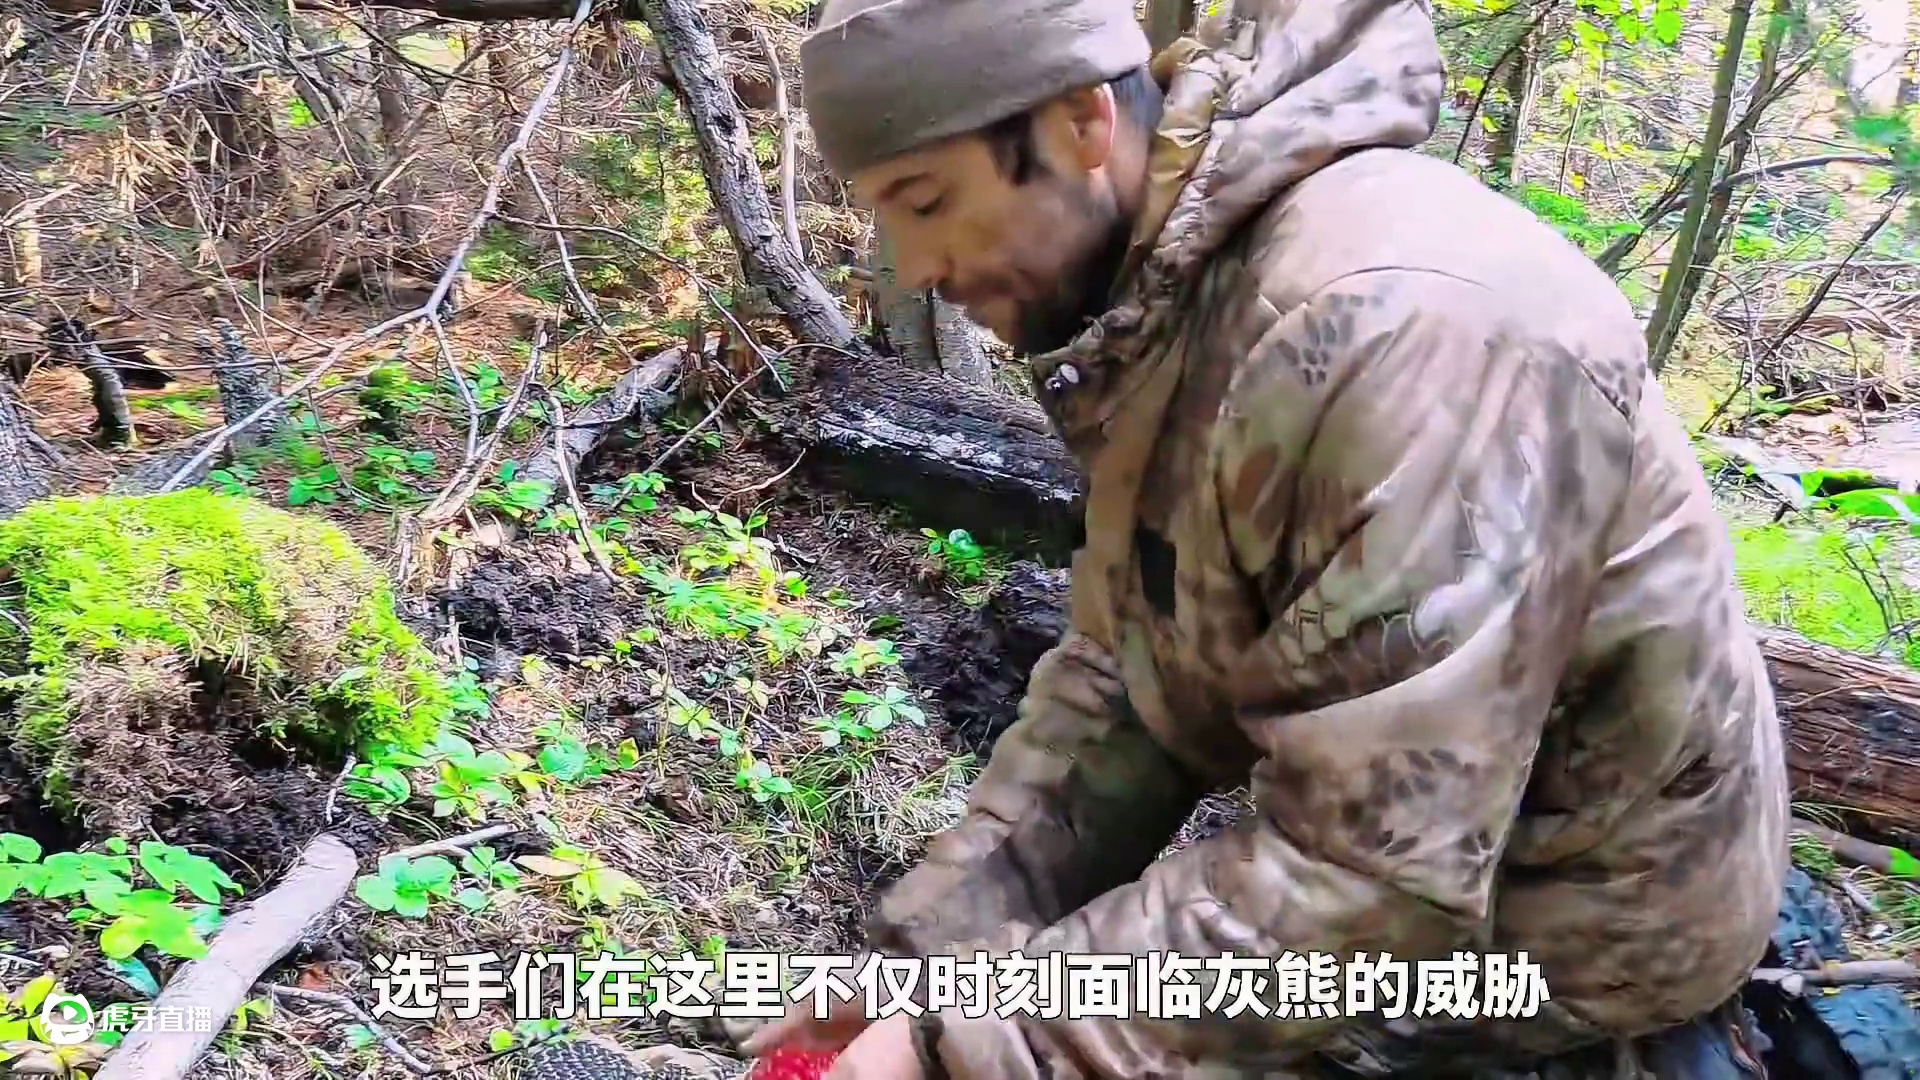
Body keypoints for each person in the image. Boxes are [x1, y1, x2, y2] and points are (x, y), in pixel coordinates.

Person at [744, 0, 1792, 1076]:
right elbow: (1127, 686)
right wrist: (928, 961)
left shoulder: (1404, 333)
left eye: (926, 202)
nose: (912, 265)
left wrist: (954, 1052)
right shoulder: (1172, 305)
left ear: (1080, 124)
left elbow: (1370, 889)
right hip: (1400, 876)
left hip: (1578, 936)